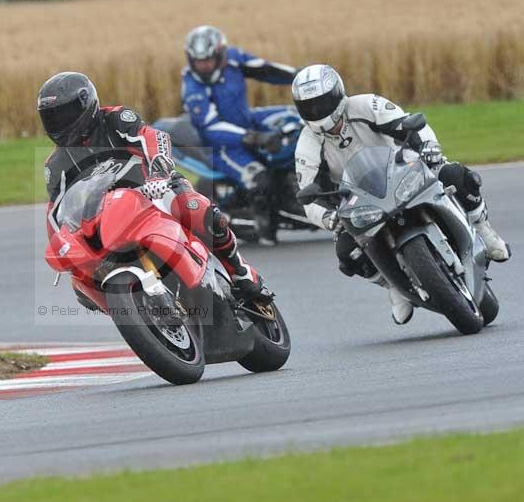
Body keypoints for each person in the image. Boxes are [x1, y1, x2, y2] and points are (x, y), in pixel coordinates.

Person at [291, 64, 511, 324]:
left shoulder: (366, 105)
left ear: (337, 94)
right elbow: (308, 196)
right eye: (309, 107)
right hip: (360, 201)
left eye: (321, 103)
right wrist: (329, 218)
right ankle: (392, 285)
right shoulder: (307, 143)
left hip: (402, 170)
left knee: (456, 175)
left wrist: (429, 147)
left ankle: (482, 228)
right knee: (346, 252)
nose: (316, 111)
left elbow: (410, 122)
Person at [38, 71, 273, 305]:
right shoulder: (56, 164)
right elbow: (55, 211)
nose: (59, 124)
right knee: (81, 286)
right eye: (51, 118)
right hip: (107, 216)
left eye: (64, 115)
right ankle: (139, 308)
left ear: (85, 104)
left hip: (153, 189)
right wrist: (62, 246)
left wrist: (159, 172)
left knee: (198, 211)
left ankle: (241, 272)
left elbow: (152, 136)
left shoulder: (116, 118)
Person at [181, 25, 299, 244]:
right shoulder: (192, 89)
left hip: (249, 120)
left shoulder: (233, 59)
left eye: (207, 60)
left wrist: (299, 75)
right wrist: (253, 137)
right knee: (260, 180)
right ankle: (264, 228)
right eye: (198, 62)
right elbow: (211, 127)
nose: (203, 66)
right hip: (224, 146)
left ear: (220, 54)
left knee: (295, 117)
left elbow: (266, 70)